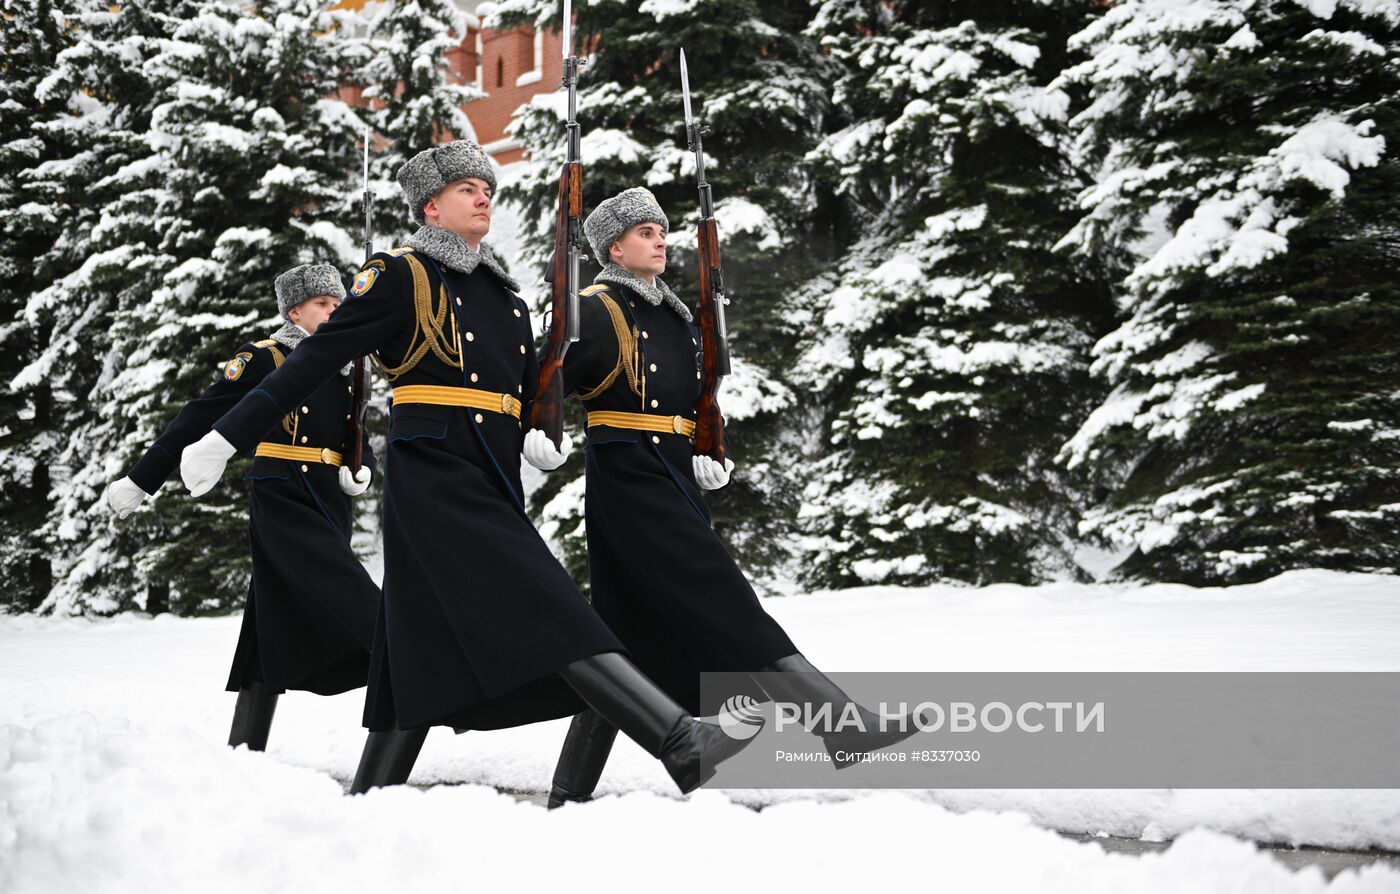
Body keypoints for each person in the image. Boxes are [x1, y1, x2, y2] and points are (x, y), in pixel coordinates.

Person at [176, 141, 759, 796]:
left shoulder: (505, 298)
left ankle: (370, 796)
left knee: (413, 652)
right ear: (431, 206)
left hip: (492, 477)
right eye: (466, 189)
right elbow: (315, 361)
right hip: (434, 479)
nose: (485, 196)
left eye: (488, 187)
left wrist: (543, 429)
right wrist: (226, 437)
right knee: (551, 605)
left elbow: (537, 384)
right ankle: (679, 741)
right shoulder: (401, 275)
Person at [525, 187, 919, 808]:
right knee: (725, 596)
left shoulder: (678, 313)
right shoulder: (596, 309)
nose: (660, 239)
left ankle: (566, 798)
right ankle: (839, 726)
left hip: (674, 474)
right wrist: (537, 430)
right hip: (629, 479)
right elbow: (543, 378)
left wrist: (709, 446)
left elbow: (699, 396)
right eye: (645, 232)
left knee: (623, 641)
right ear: (613, 249)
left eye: (662, 229)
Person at [104, 264, 379, 751]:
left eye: (339, 305)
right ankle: (416, 663)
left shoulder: (346, 365)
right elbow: (199, 416)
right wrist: (141, 480)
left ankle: (243, 749)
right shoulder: (267, 357)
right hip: (282, 495)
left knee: (266, 621)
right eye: (322, 304)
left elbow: (355, 429)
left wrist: (362, 468)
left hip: (331, 500)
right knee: (355, 598)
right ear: (294, 311)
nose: (334, 312)